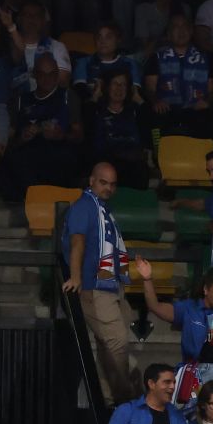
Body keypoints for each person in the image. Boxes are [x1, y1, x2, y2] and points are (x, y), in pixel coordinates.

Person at [60, 162, 136, 405]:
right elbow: (77, 241)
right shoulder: (84, 206)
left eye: (113, 184)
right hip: (94, 287)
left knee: (110, 344)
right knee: (116, 342)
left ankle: (107, 397)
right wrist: (75, 276)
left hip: (110, 285)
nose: (108, 188)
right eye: (103, 182)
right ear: (91, 180)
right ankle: (126, 399)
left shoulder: (103, 209)